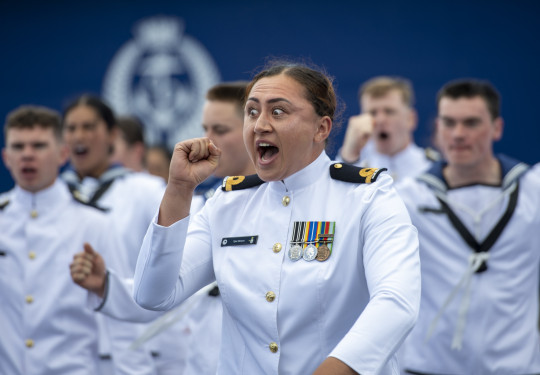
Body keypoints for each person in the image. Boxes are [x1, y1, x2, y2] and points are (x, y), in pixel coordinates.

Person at [131, 62, 421, 374]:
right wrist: (179, 188)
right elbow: (153, 294)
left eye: (278, 112)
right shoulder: (228, 202)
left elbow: (396, 302)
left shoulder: (367, 196)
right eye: (252, 112)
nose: (260, 125)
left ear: (321, 128)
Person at [398, 79, 540, 374]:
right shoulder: (407, 197)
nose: (458, 134)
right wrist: (348, 157)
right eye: (449, 123)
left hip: (516, 369)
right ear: (437, 128)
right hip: (427, 368)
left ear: (497, 128)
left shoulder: (533, 189)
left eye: (471, 123)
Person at [0, 105, 130, 374]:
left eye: (38, 145)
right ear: (5, 157)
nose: (27, 155)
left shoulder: (94, 223)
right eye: (18, 146)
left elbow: (122, 312)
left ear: (62, 154)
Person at [60, 95, 166, 375]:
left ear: (112, 135)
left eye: (89, 127)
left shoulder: (147, 191)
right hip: (62, 351)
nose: (79, 136)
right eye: (71, 128)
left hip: (133, 346)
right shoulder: (53, 199)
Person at [338, 76, 437, 182]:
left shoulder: (431, 168)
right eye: (372, 112)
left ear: (410, 119)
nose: (380, 120)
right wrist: (349, 153)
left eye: (389, 111)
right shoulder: (352, 162)